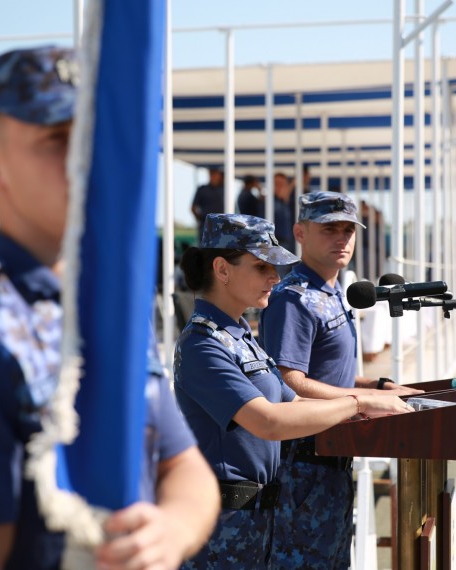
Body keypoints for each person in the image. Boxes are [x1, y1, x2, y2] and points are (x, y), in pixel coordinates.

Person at [0, 45, 218, 570]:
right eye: (57, 139)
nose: (87, 158)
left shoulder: (109, 307)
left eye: (97, 134)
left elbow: (184, 467)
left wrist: (169, 531)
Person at [173, 213, 414, 569]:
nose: (274, 277)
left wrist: (376, 400)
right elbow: (269, 421)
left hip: (259, 522)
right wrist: (358, 401)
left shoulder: (240, 337)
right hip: (221, 529)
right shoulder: (203, 344)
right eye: (261, 267)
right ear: (222, 270)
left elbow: (295, 401)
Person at [259, 191, 422, 569]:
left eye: (348, 229)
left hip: (333, 456)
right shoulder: (294, 299)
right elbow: (288, 381)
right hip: (302, 464)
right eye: (329, 228)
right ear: (300, 232)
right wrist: (363, 401)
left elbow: (337, 373)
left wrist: (378, 387)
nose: (341, 238)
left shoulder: (332, 292)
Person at [191, 167, 225, 243]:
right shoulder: (202, 189)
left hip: (221, 226)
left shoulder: (225, 190)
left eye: (216, 174)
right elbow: (193, 208)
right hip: (205, 226)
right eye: (212, 174)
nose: (214, 176)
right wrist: (201, 219)